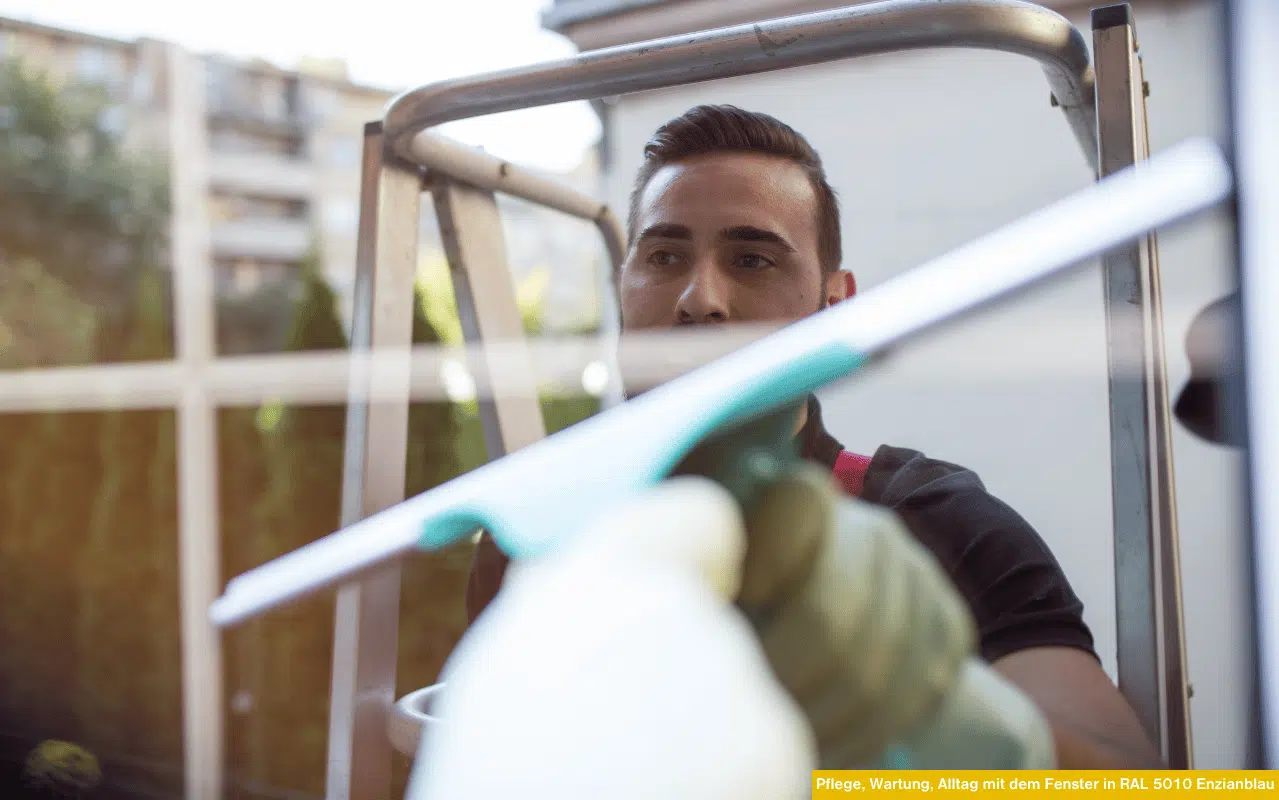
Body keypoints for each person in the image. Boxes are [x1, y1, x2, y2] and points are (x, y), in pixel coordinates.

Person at [462, 104, 1162, 769]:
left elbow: (1132, 779)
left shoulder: (940, 521)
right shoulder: (534, 541)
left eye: (752, 260)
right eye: (665, 257)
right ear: (623, 284)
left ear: (834, 305)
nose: (699, 298)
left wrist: (939, 712)